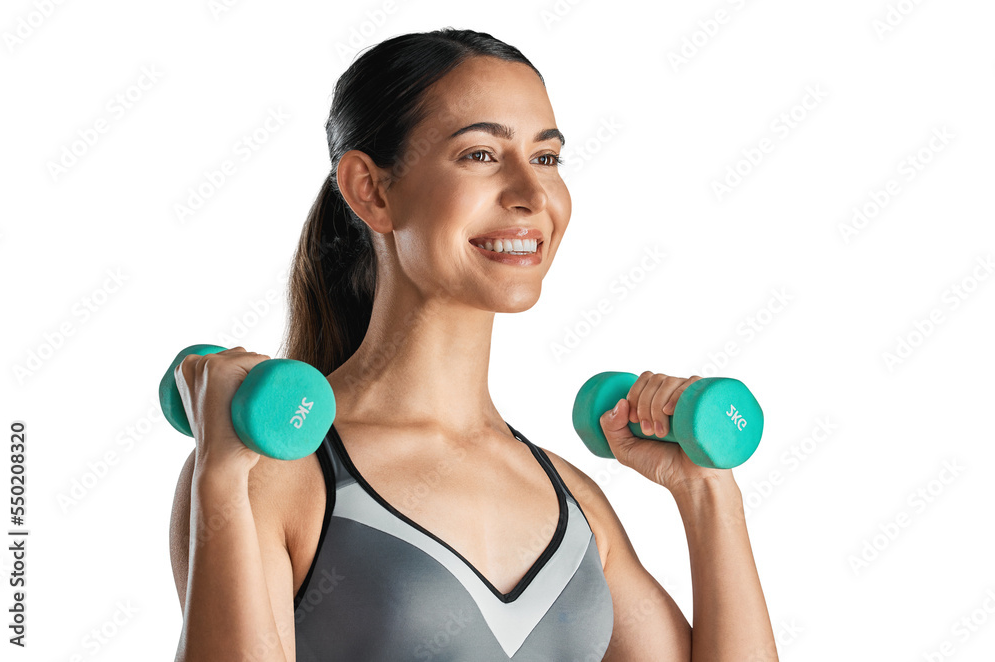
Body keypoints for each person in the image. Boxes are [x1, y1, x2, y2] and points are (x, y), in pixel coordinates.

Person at [169, 27, 778, 661]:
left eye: (546, 158)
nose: (531, 194)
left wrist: (708, 492)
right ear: (370, 190)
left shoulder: (575, 504)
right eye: (481, 154)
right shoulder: (271, 474)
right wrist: (219, 480)